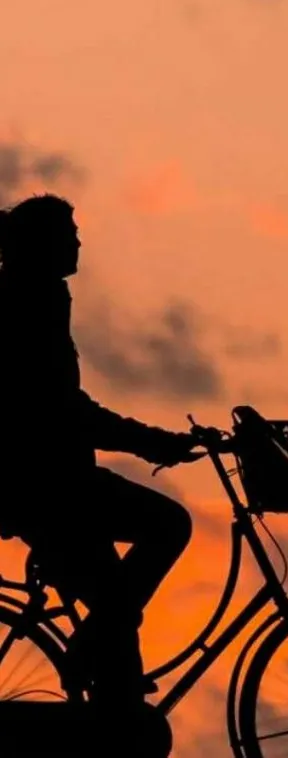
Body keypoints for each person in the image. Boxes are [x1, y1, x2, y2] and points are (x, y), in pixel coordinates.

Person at [0, 192, 197, 710]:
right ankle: (92, 659)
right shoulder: (27, 303)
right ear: (44, 246)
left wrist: (154, 441)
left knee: (117, 612)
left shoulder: (37, 297)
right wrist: (154, 441)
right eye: (68, 233)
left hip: (55, 487)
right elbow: (63, 410)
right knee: (169, 526)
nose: (78, 241)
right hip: (48, 489)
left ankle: (116, 708)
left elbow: (67, 407)